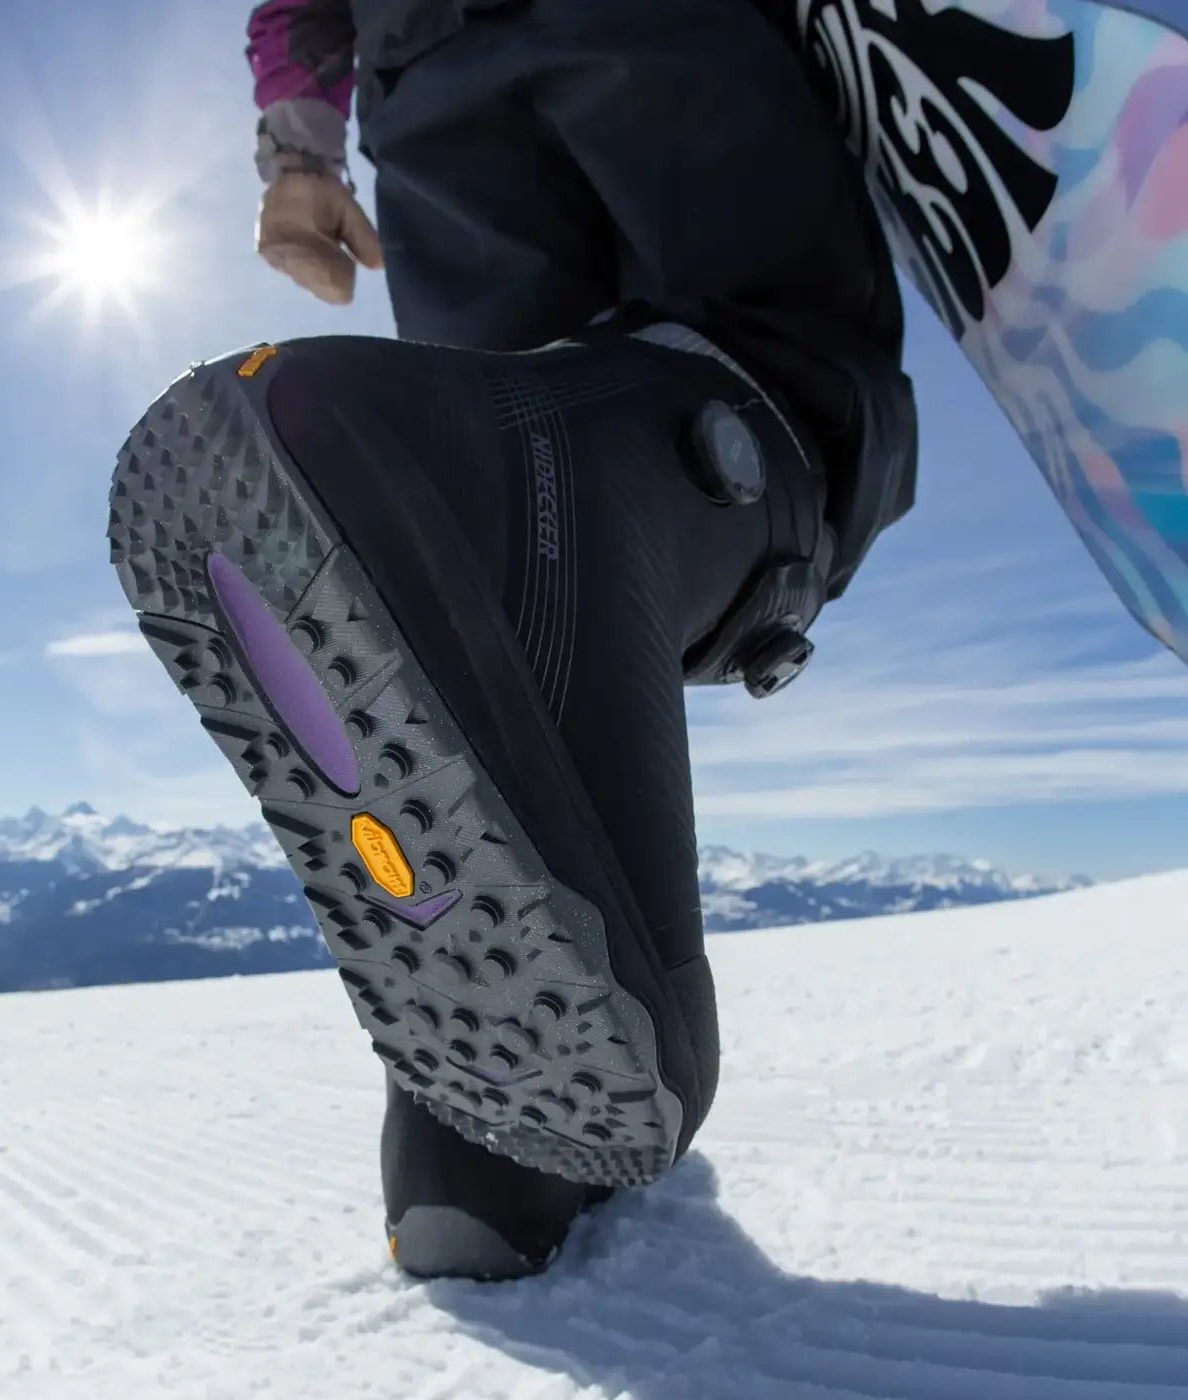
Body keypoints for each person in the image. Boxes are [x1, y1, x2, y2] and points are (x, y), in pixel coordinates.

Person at [110, 0, 917, 1281]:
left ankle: (481, 1153)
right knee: (773, 370)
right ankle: (579, 483)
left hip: (422, 71)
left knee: (503, 542)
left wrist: (300, 148)